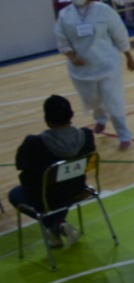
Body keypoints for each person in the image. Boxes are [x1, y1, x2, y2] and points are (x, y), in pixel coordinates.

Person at [54, 0, 134, 150]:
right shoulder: (65, 15)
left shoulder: (103, 11)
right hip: (82, 68)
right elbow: (62, 39)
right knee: (92, 99)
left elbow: (119, 33)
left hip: (107, 64)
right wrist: (72, 56)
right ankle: (100, 118)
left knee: (113, 100)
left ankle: (124, 134)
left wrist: (128, 55)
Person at [9, 95, 97, 249]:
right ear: (71, 115)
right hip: (77, 190)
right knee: (61, 191)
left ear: (46, 118)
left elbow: (20, 164)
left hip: (47, 197)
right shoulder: (87, 136)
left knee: (15, 194)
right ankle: (57, 226)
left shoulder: (34, 143)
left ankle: (56, 224)